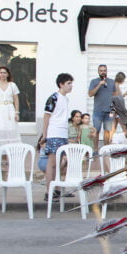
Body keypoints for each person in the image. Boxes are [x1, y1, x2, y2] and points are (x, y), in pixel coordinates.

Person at [41, 73, 74, 201]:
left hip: (63, 133)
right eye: (68, 83)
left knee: (61, 162)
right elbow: (46, 116)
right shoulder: (54, 97)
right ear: (61, 84)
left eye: (71, 83)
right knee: (52, 163)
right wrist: (45, 135)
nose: (71, 86)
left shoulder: (65, 99)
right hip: (54, 133)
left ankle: (58, 189)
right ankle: (49, 191)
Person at [0, 66, 22, 148]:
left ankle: (11, 154)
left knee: (11, 129)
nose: (3, 74)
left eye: (4, 73)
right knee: (0, 129)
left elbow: (16, 99)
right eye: (1, 73)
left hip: (10, 109)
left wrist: (17, 112)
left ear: (7, 74)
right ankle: (2, 155)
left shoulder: (12, 85)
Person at [88, 64, 118, 149]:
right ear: (98, 72)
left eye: (104, 70)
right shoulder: (94, 81)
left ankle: (106, 150)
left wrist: (115, 110)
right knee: (96, 131)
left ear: (107, 71)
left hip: (110, 111)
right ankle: (95, 150)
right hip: (98, 111)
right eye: (101, 70)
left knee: (107, 131)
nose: (103, 72)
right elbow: (90, 94)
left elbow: (115, 96)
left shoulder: (112, 82)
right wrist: (99, 85)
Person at [110, 71, 127, 136]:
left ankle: (109, 143)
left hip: (114, 110)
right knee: (124, 127)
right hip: (117, 111)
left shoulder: (114, 84)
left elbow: (117, 97)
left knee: (113, 128)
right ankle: (126, 141)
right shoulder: (116, 86)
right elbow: (115, 99)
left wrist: (124, 94)